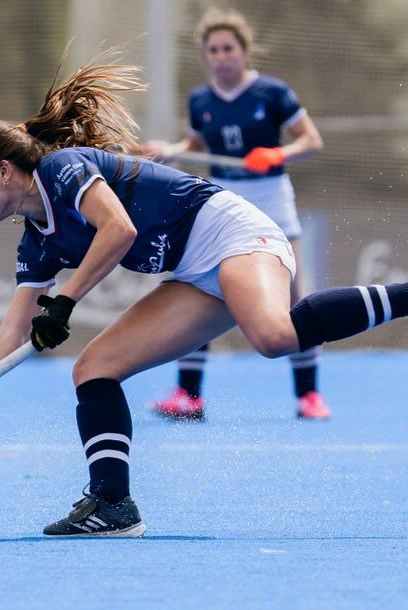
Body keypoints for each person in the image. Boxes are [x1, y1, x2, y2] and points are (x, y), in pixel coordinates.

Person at [0, 52, 408, 538]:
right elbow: (10, 332)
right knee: (94, 369)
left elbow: (119, 232)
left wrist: (64, 303)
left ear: (4, 171)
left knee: (273, 336)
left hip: (234, 233)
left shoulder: (64, 170)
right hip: (192, 272)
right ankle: (113, 505)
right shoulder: (35, 244)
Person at [141, 8, 328, 421]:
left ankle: (308, 395)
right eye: (213, 50)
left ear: (244, 52)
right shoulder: (201, 99)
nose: (221, 56)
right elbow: (194, 142)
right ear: (205, 55)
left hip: (272, 197)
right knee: (204, 286)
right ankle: (189, 396)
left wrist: (280, 152)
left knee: (294, 295)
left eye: (228, 48)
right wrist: (170, 150)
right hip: (224, 202)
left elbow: (311, 140)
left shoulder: (273, 93)